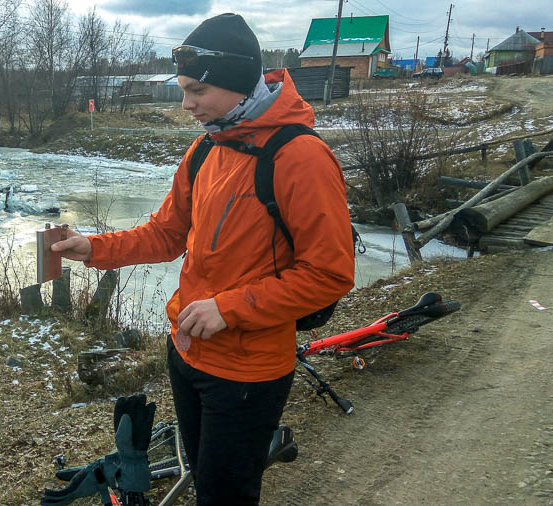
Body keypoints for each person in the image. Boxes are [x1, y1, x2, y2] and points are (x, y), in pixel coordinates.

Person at [51, 13, 355, 505]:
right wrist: (95, 248)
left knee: (224, 496)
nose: (187, 103)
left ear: (235, 81)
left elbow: (330, 274)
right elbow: (167, 234)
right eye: (184, 89)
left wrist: (229, 308)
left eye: (197, 90)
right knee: (202, 480)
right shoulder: (205, 149)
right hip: (188, 353)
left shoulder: (301, 157)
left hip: (248, 372)